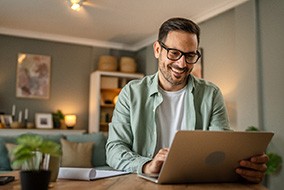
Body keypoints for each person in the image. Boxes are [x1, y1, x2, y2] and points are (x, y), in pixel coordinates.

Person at [106, 17, 268, 183]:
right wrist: (147, 165)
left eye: (190, 55)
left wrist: (244, 168)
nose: (182, 64)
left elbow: (219, 152)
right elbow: (114, 149)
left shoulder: (211, 94)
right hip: (142, 184)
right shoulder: (131, 93)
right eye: (174, 53)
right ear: (157, 50)